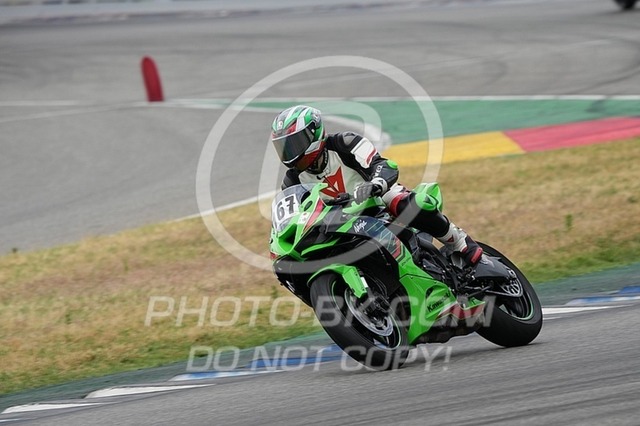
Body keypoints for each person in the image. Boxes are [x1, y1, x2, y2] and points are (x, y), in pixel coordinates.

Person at [270, 105, 483, 267]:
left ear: (314, 133)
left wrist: (376, 184)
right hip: (338, 223)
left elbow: (381, 164)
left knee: (399, 199)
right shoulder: (292, 180)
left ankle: (459, 242)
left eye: (294, 144)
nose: (290, 153)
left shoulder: (345, 143)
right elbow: (293, 216)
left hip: (375, 202)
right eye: (284, 147)